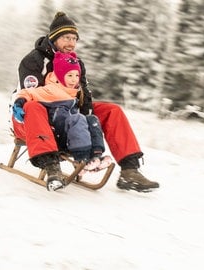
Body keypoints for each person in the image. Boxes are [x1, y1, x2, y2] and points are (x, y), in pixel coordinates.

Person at [11, 11, 159, 192]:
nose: (71, 43)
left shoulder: (75, 61)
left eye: (74, 39)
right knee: (33, 106)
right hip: (28, 119)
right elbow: (29, 94)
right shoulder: (34, 60)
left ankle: (130, 170)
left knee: (112, 110)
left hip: (67, 113)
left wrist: (86, 117)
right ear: (54, 37)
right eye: (66, 38)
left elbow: (84, 94)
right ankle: (51, 166)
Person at [12, 51, 109, 190]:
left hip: (71, 132)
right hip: (58, 133)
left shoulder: (74, 91)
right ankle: (81, 159)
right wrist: (19, 103)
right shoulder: (51, 89)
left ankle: (96, 156)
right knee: (78, 119)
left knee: (92, 119)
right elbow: (28, 92)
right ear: (59, 75)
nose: (74, 79)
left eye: (76, 75)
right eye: (69, 75)